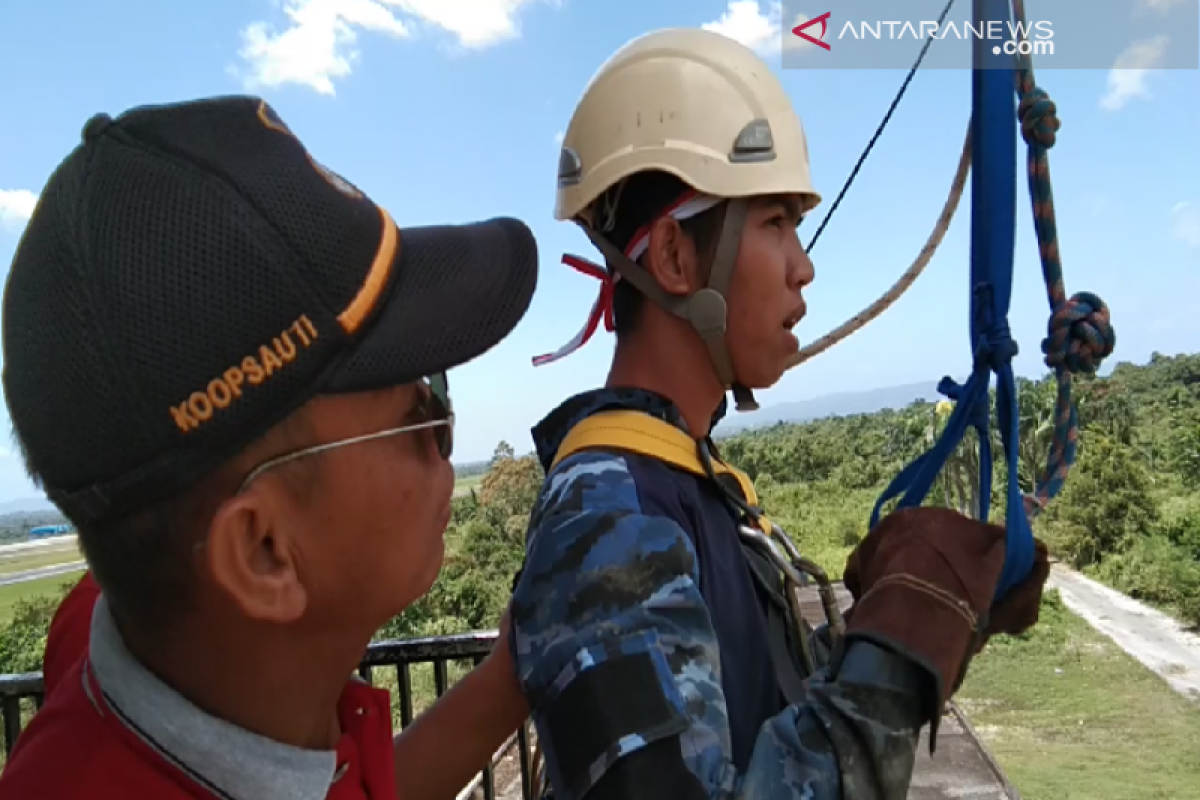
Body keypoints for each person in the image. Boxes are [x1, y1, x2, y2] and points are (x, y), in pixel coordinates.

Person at [507, 27, 1052, 800]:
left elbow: (759, 708)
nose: (805, 264)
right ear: (672, 257)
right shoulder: (606, 513)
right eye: (774, 223)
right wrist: (895, 657)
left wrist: (925, 619)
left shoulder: (684, 482)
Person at [0, 94, 538, 800]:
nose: (446, 432)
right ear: (263, 552)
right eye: (425, 407)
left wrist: (509, 681)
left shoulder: (147, 633)